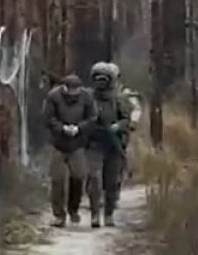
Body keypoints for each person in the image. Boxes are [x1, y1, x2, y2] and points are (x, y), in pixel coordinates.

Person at [42, 74, 97, 227]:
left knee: (78, 177)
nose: (73, 93)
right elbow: (47, 118)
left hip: (77, 143)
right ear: (64, 87)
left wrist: (79, 128)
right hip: (58, 143)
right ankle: (59, 215)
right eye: (70, 89)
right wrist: (62, 128)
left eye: (76, 90)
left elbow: (92, 118)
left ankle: (73, 209)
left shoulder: (86, 97)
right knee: (57, 180)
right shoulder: (53, 96)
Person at [86, 61, 132, 228]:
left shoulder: (119, 98)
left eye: (104, 79)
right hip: (94, 144)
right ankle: (94, 214)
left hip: (113, 145)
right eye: (98, 78)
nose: (101, 82)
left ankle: (109, 214)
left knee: (112, 182)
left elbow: (126, 119)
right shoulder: (88, 98)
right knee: (94, 179)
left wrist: (117, 126)